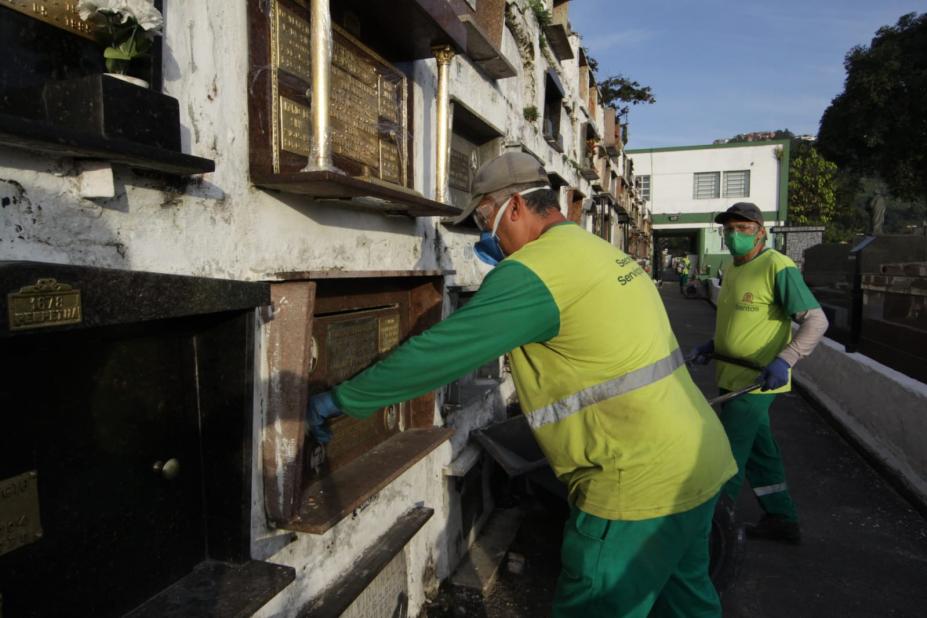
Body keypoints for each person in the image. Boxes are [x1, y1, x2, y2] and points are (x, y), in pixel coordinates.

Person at [309, 152, 736, 617]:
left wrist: (342, 399)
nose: (485, 237)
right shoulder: (601, 252)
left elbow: (437, 354)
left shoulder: (535, 272)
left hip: (634, 485)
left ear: (514, 207)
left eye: (485, 220)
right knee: (688, 606)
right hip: (698, 460)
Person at [691, 202, 829, 544]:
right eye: (729, 229)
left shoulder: (776, 266)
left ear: (761, 231)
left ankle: (709, 535)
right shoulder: (734, 267)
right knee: (760, 451)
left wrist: (787, 359)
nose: (734, 235)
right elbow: (743, 322)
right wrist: (712, 345)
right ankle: (782, 518)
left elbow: (817, 320)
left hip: (756, 382)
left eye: (744, 228)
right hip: (730, 374)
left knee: (728, 456)